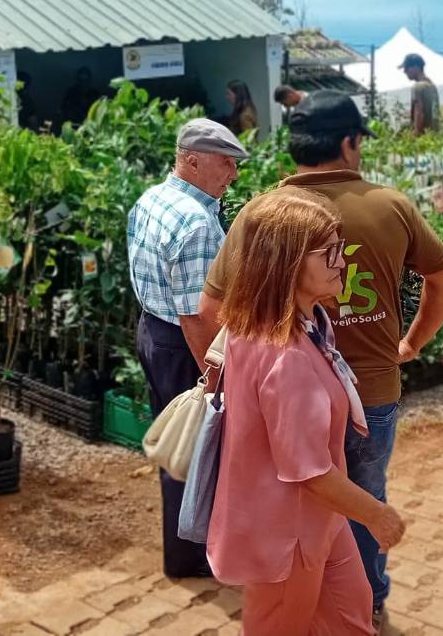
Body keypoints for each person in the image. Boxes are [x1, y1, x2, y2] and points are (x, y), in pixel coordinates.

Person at [200, 90, 443, 628]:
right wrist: (411, 344)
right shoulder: (389, 205)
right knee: (356, 502)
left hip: (284, 420)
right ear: (350, 142)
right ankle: (363, 600)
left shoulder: (263, 215)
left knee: (313, 514)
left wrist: (239, 386)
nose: (340, 266)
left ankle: (336, 604)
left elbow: (212, 307)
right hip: (371, 393)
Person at [208, 187, 405, 634]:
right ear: (288, 264)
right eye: (330, 252)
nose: (343, 261)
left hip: (316, 519)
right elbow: (310, 472)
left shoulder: (290, 324)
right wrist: (376, 514)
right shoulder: (288, 356)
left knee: (352, 616)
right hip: (287, 533)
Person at [126, 118, 248, 579]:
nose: (232, 174)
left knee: (178, 442)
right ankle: (195, 556)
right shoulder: (198, 224)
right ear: (192, 160)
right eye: (226, 163)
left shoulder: (151, 198)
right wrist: (216, 380)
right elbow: (199, 316)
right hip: (185, 344)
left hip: (153, 332)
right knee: (198, 448)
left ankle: (183, 552)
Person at [400, 53, 440, 135]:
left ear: (416, 67)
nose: (405, 72)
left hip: (423, 139)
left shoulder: (417, 87)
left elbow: (420, 114)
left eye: (406, 68)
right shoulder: (432, 86)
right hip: (434, 136)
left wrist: (415, 134)